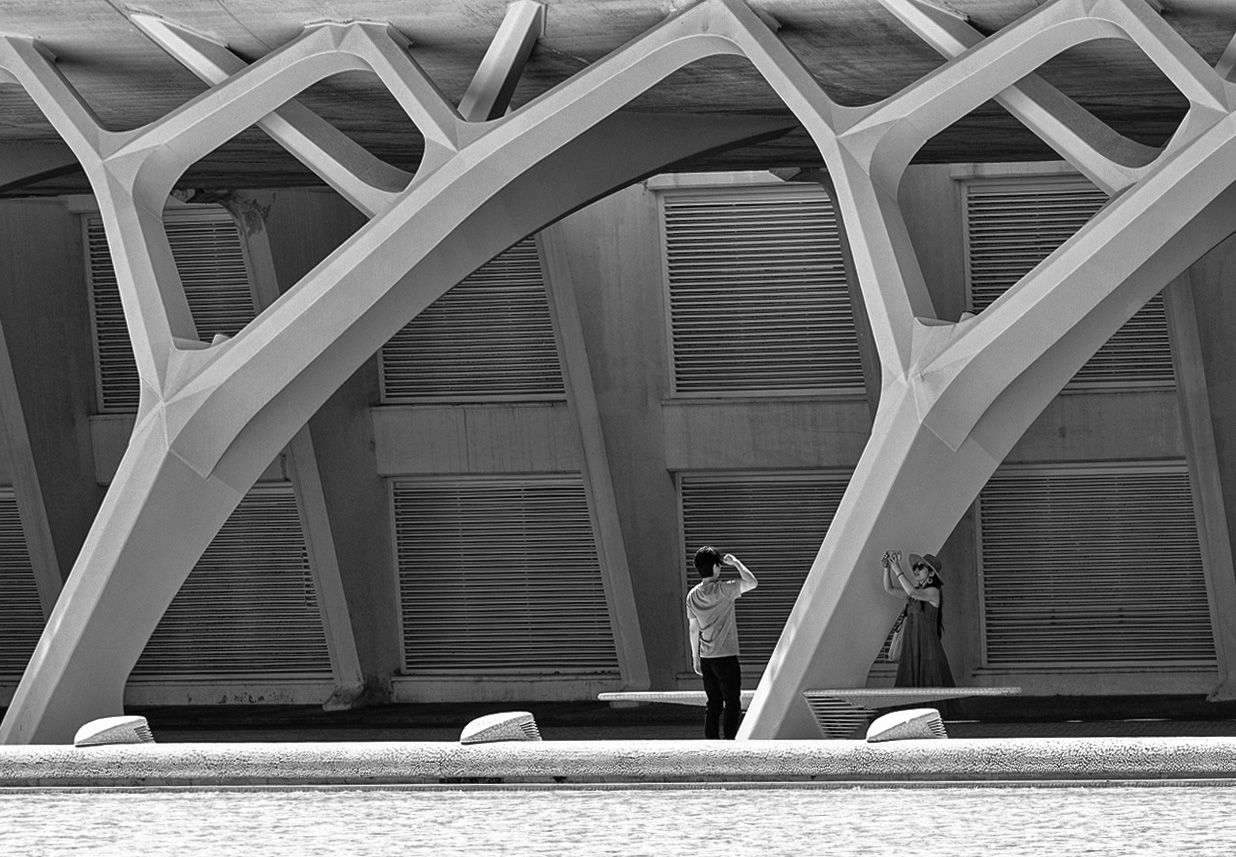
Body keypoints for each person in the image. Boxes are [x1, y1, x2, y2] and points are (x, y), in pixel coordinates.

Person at [686, 546, 757, 739]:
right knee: (732, 702)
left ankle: (711, 742)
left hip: (706, 657)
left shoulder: (692, 596)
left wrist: (695, 658)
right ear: (716, 567)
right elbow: (752, 582)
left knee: (713, 703)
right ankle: (729, 742)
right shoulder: (724, 589)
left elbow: (693, 629)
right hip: (726, 655)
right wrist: (736, 563)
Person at [881, 549, 955, 689]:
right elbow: (889, 589)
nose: (916, 570)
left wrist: (898, 570)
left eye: (921, 567)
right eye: (915, 567)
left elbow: (912, 592)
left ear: (931, 574)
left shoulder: (933, 592)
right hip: (911, 645)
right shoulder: (916, 593)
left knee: (931, 683)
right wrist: (887, 568)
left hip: (927, 646)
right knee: (910, 685)